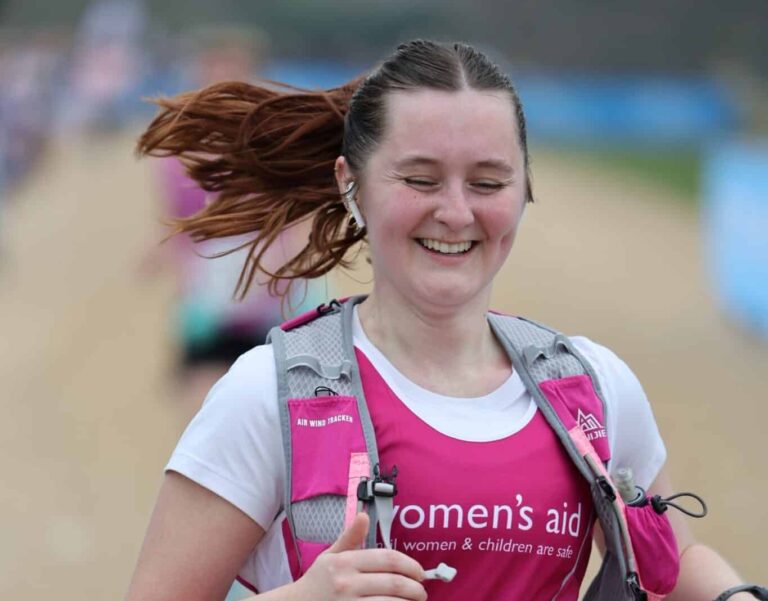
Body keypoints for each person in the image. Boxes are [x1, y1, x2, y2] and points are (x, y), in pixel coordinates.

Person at [127, 40, 756, 600]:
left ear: (523, 190)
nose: (455, 213)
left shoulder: (592, 387)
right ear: (352, 184)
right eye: (420, 178)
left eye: (488, 182)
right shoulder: (267, 397)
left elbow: (671, 569)